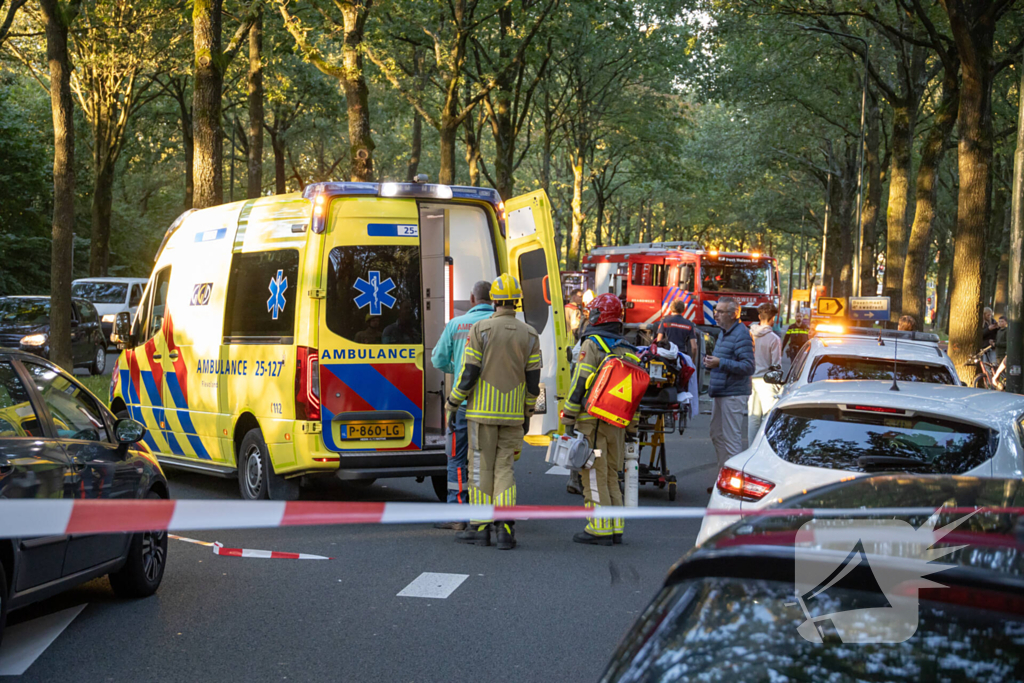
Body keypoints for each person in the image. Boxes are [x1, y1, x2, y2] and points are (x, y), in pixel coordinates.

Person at [446, 274, 542, 550]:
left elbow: (469, 373)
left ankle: (479, 527)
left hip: (481, 414)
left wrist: (453, 403)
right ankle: (505, 530)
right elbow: (533, 381)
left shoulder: (481, 329)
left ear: (496, 300)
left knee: (480, 469)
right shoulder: (530, 334)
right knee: (504, 470)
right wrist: (526, 413)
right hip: (512, 415)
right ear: (517, 302)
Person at [561, 293, 637, 546]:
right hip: (617, 424)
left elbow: (580, 383)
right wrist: (632, 428)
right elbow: (633, 396)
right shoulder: (628, 348)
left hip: (592, 424)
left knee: (593, 473)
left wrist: (569, 418)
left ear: (599, 316)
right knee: (611, 475)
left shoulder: (592, 344)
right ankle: (615, 527)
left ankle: (599, 528)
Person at [430, 281, 495, 527]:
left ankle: (457, 515)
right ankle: (486, 512)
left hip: (463, 403)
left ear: (471, 298)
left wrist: (456, 367)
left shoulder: (456, 325)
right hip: (493, 405)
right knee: (489, 460)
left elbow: (438, 359)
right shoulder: (501, 325)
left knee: (457, 459)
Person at [703, 297, 754, 493]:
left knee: (731, 441)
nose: (716, 314)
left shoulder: (741, 334)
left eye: (721, 311)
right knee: (717, 435)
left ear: (734, 315)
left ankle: (734, 487)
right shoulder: (725, 333)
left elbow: (748, 366)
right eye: (716, 310)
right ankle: (724, 481)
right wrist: (710, 362)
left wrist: (720, 363)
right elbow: (723, 360)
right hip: (722, 391)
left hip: (733, 393)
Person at [748, 302, 781, 445]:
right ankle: (764, 446)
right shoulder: (774, 339)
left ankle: (751, 447)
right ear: (773, 318)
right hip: (766, 381)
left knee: (753, 416)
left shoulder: (750, 334)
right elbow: (776, 365)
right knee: (768, 415)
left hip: (750, 378)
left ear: (759, 317)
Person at [656, 299, 698, 363]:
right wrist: (693, 360)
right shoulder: (689, 324)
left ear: (671, 308)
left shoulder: (665, 321)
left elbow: (659, 340)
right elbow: (694, 347)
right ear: (683, 309)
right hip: (681, 356)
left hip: (667, 355)